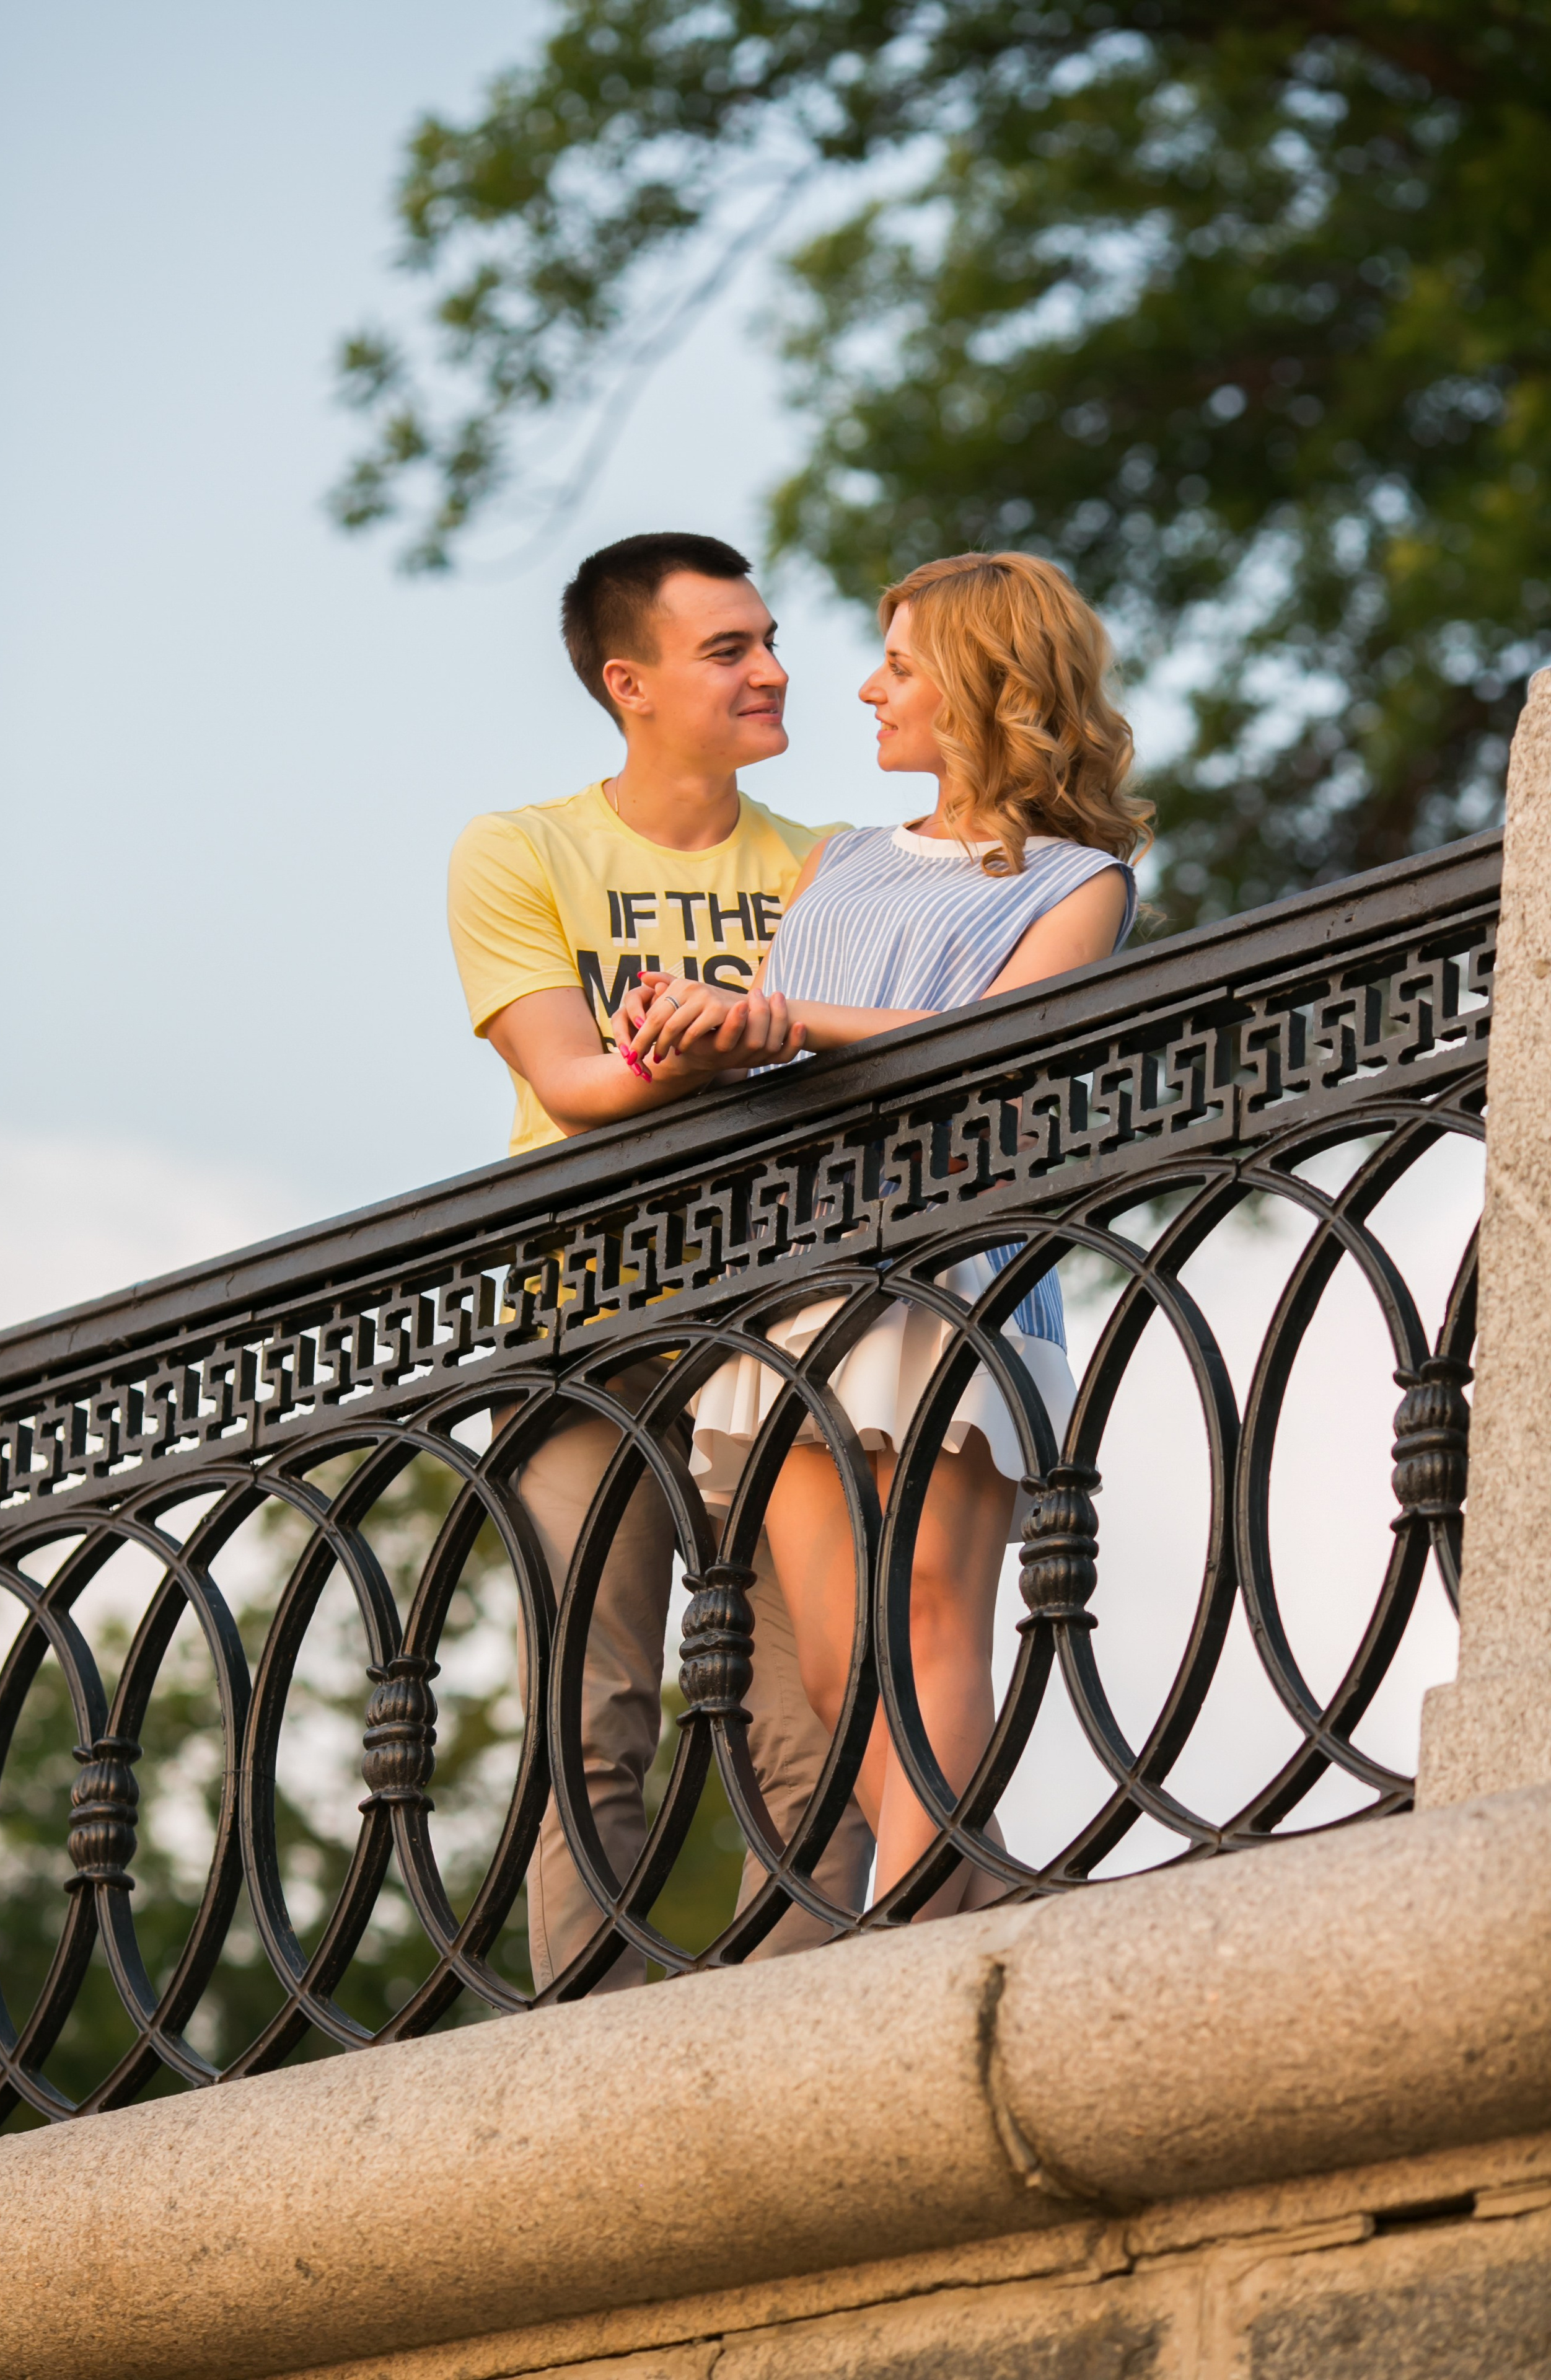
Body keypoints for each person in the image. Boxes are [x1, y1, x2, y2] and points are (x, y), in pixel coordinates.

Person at [618, 550, 1153, 1919]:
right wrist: (703, 1027)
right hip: (793, 1284)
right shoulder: (839, 864)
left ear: (985, 686)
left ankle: (915, 1935)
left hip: (952, 1276)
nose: (867, 688)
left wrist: (785, 1021)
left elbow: (990, 1056)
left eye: (901, 665)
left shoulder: (1078, 884)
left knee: (925, 1620)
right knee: (828, 1665)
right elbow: (771, 1038)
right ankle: (961, 1907)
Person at [446, 530, 874, 1990]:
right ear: (629, 684)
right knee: (590, 1716)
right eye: (728, 650)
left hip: (784, 1326)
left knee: (808, 1706)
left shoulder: (829, 868)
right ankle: (585, 2050)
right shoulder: (521, 851)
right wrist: (732, 1041)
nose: (772, 670)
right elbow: (570, 1082)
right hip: (586, 1330)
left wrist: (753, 1032)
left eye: (765, 639)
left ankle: (807, 2022)